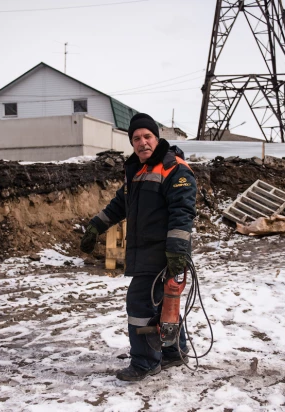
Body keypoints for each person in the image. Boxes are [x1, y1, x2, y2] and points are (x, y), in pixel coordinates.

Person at [80, 113, 197, 381]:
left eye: (147, 136)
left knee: (140, 304)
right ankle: (172, 352)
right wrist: (96, 226)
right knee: (162, 304)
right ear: (131, 142)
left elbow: (182, 213)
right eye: (136, 138)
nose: (142, 142)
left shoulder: (175, 169)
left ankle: (145, 362)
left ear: (157, 138)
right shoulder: (139, 171)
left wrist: (177, 252)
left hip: (163, 252)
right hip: (144, 250)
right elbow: (120, 205)